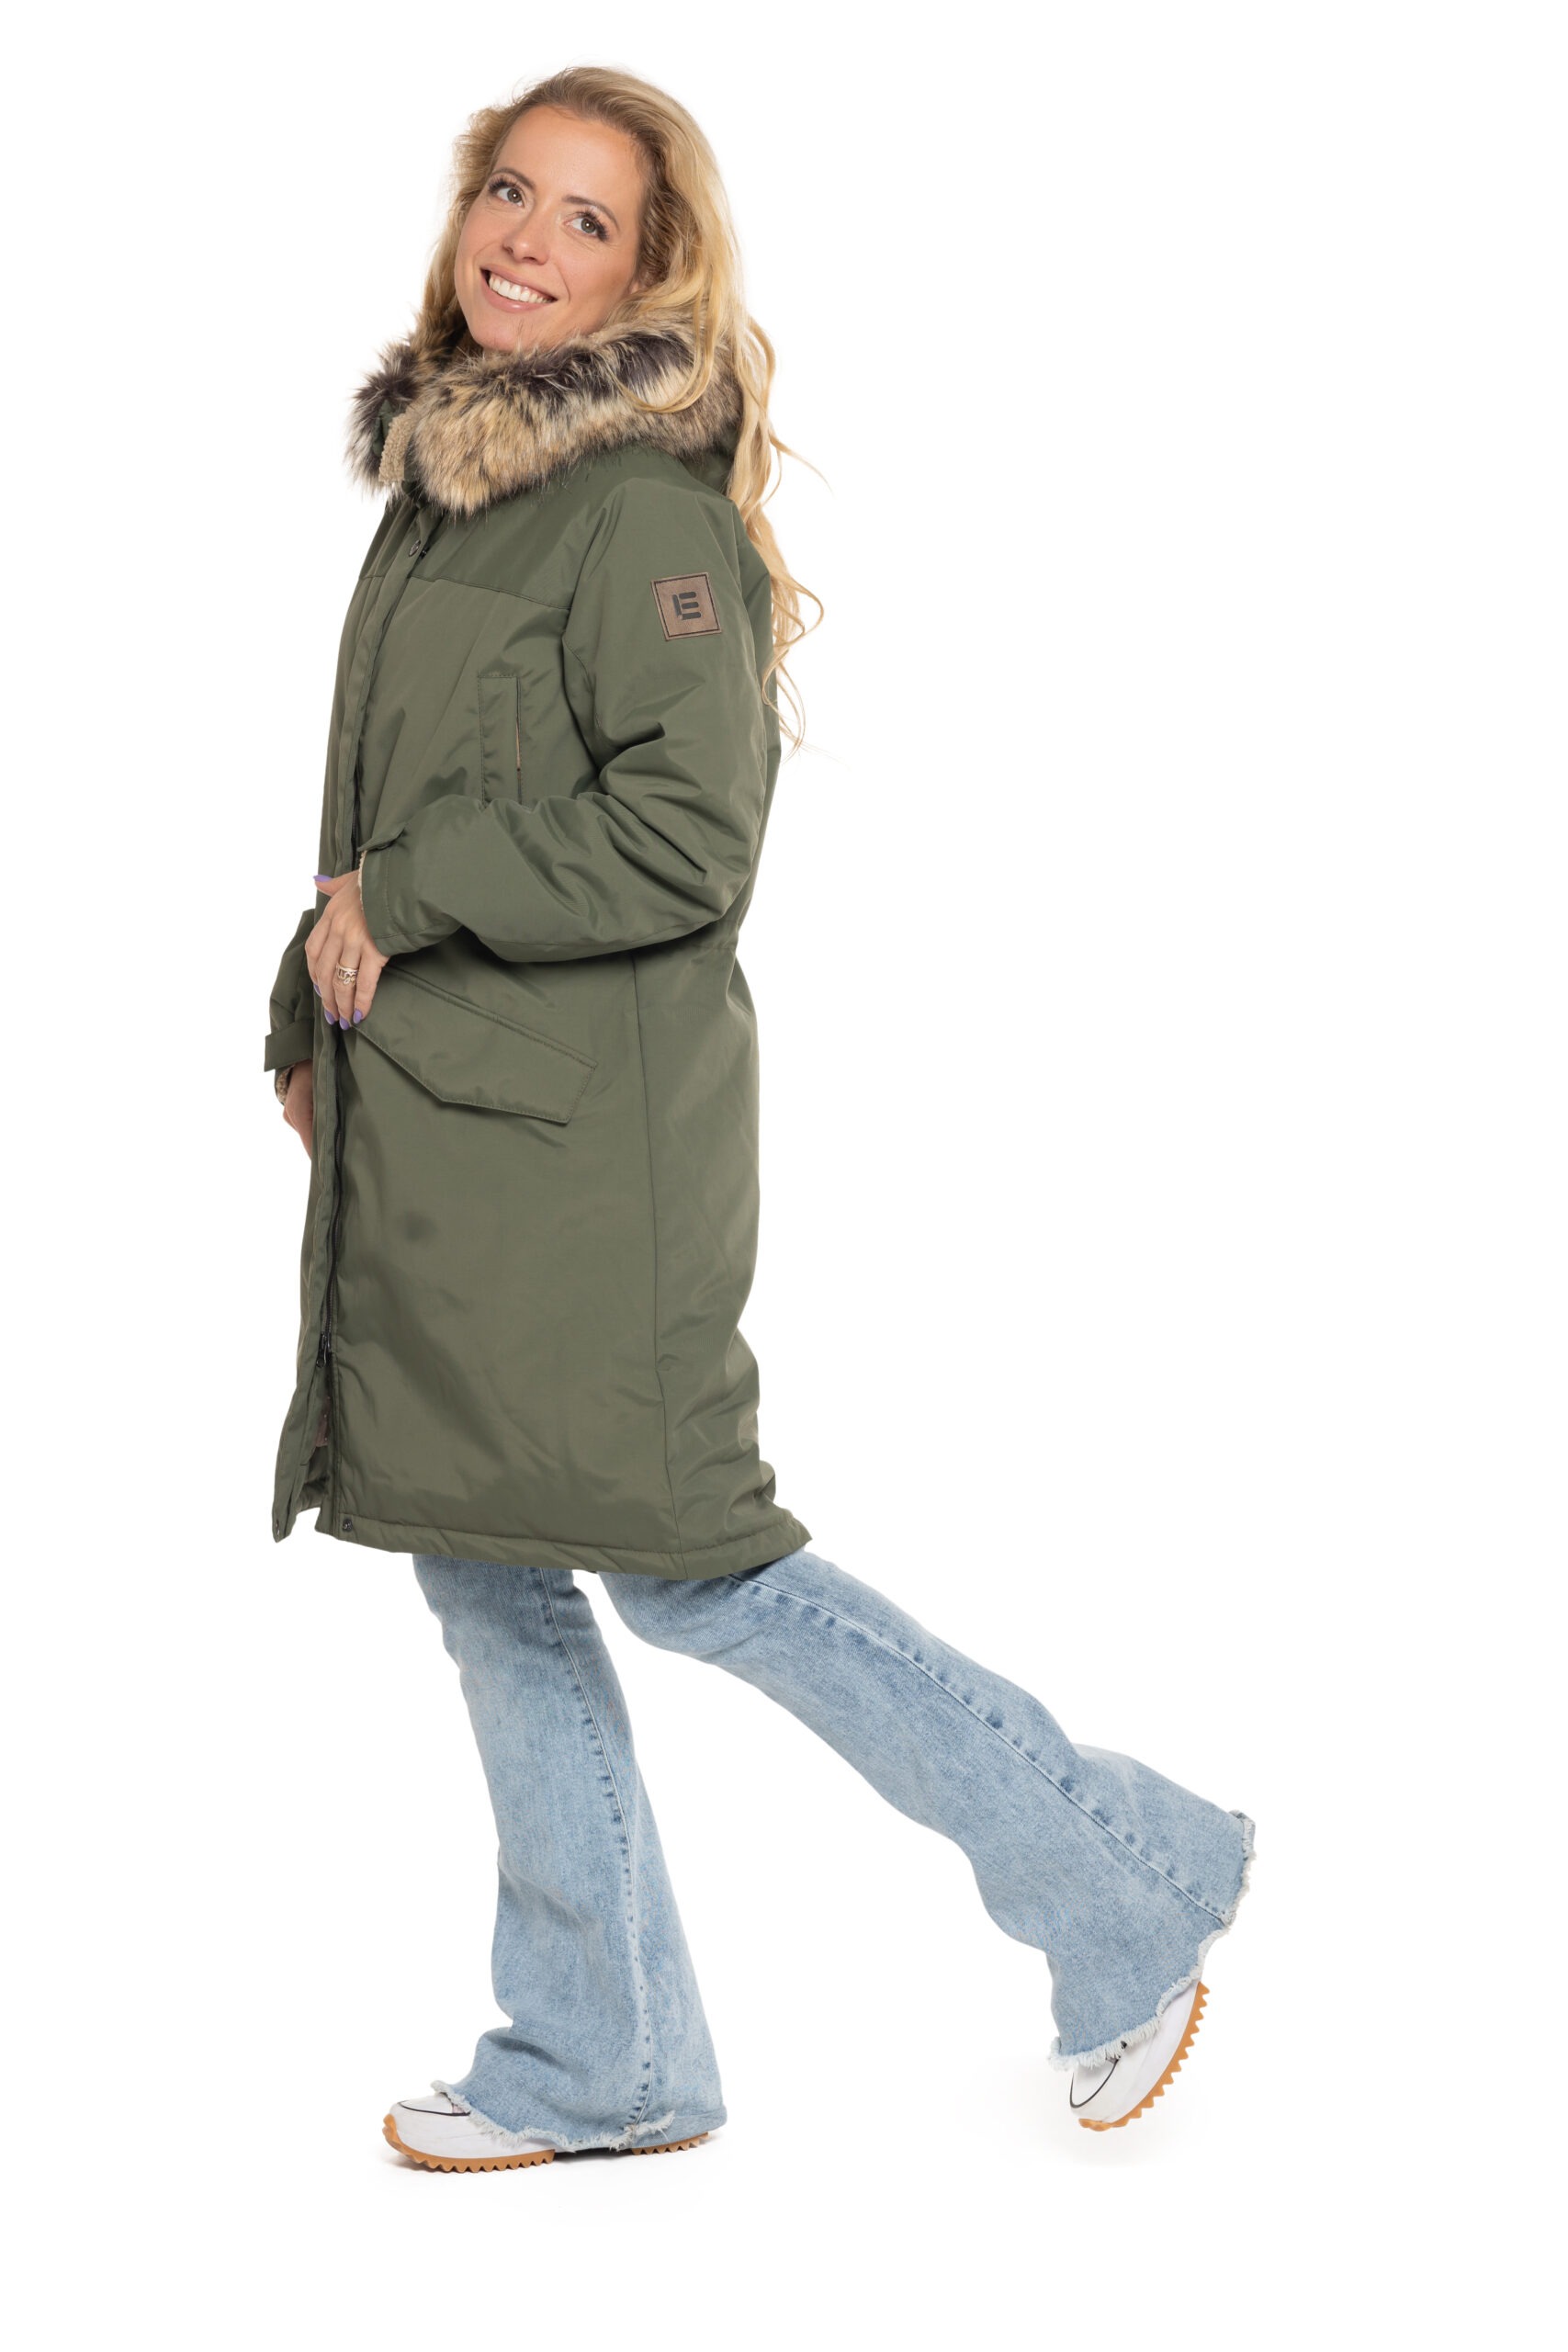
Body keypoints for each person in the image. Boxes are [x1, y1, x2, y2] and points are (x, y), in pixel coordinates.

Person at [263, 65, 1254, 2170]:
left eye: (584, 218)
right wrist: (309, 1002)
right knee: (485, 1569)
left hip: (582, 1164)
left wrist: (405, 903)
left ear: (653, 270)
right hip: (447, 1135)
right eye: (506, 193)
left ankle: (1115, 1878)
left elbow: (683, 840)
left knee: (696, 1564)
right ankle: (602, 2050)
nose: (524, 240)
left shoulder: (640, 514)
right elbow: (381, 811)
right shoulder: (450, 484)